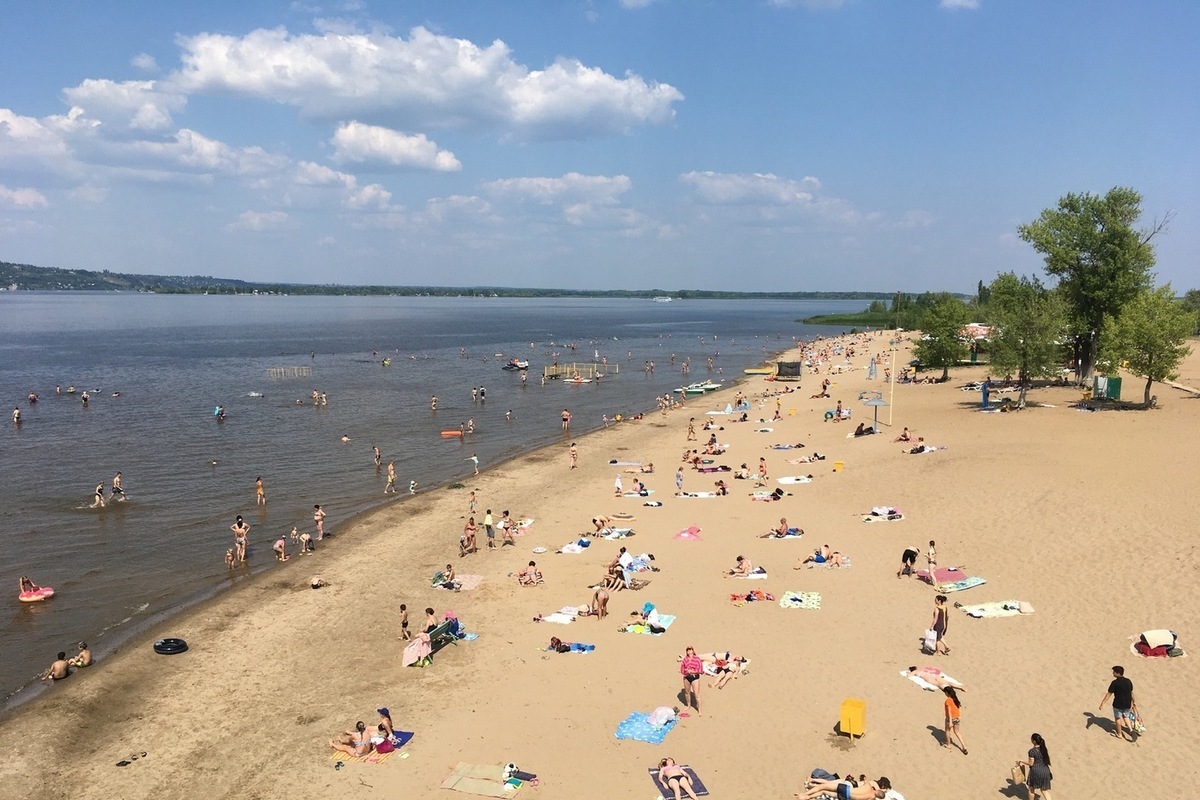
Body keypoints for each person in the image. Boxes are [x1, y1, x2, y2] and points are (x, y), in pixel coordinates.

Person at [1100, 665, 1137, 742]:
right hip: (1127, 703)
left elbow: (1109, 693)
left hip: (1118, 704)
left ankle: (1119, 734)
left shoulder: (1115, 683)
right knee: (1126, 716)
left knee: (1118, 718)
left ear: (1118, 673)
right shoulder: (1128, 681)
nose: (1113, 673)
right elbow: (1131, 692)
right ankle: (1131, 730)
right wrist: (1134, 701)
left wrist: (1103, 703)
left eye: (1114, 672)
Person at [1017, 732, 1054, 799]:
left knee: (1031, 789)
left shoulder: (1032, 751)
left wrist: (1021, 761)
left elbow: (1031, 763)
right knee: (1044, 790)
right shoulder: (1044, 749)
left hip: (1036, 772)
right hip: (1045, 771)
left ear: (1034, 741)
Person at [799, 777, 891, 799]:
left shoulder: (870, 786)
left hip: (848, 786)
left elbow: (865, 779)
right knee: (824, 791)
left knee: (826, 785)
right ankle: (807, 796)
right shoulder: (872, 797)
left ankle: (806, 792)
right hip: (847, 797)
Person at [942, 686, 967, 754]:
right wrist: (959, 716)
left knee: (947, 731)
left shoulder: (948, 701)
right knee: (957, 732)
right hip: (957, 718)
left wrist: (950, 721)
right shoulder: (955, 699)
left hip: (950, 719)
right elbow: (959, 707)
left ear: (947, 693)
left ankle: (949, 745)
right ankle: (964, 746)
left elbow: (949, 711)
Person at [680, 646, 703, 716]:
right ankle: (688, 705)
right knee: (687, 692)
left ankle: (699, 710)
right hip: (687, 677)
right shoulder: (685, 659)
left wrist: (692, 671)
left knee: (696, 694)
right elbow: (682, 668)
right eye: (688, 650)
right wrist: (685, 671)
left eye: (691, 650)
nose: (689, 651)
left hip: (695, 677)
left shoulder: (697, 659)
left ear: (693, 651)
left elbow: (701, 670)